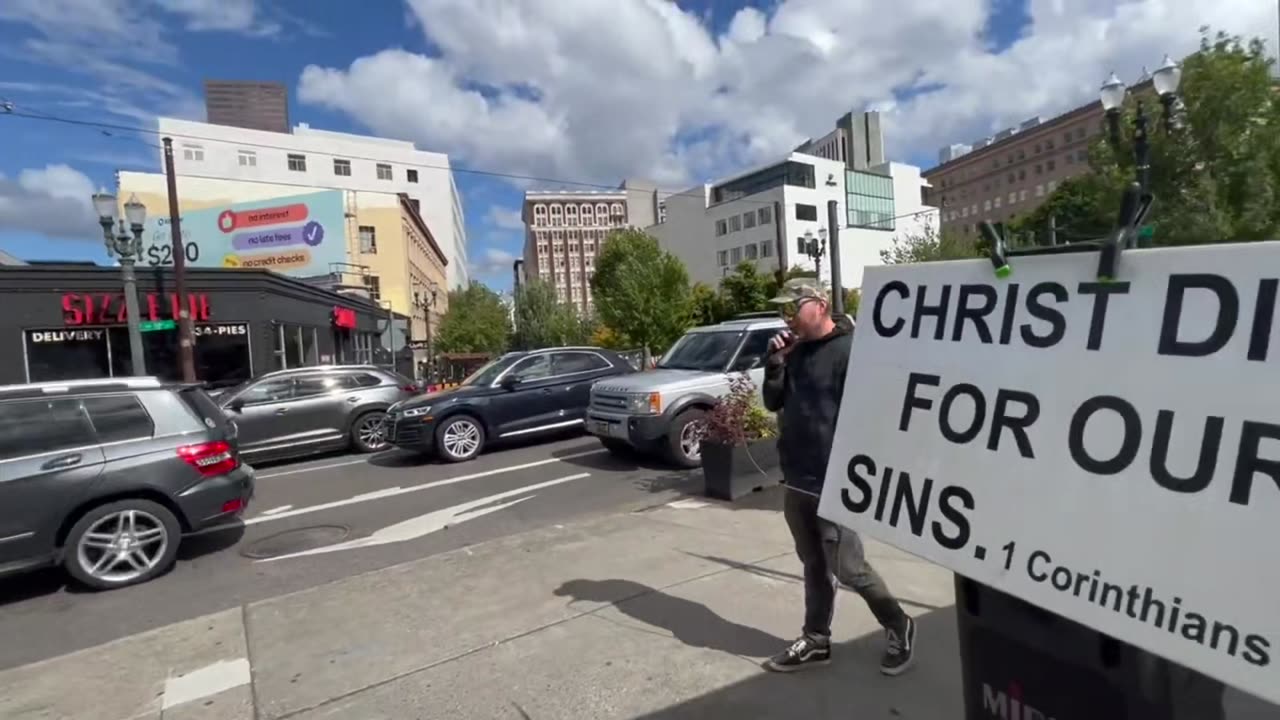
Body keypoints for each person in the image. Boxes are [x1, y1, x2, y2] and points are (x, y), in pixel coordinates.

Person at [761, 278, 916, 676]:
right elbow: (772, 401)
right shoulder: (793, 353)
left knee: (849, 567)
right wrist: (774, 365)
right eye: (784, 310)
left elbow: (872, 417)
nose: (787, 317)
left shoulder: (850, 352)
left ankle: (898, 623)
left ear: (820, 305)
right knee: (813, 564)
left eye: (793, 308)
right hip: (796, 476)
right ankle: (816, 638)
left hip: (836, 479)